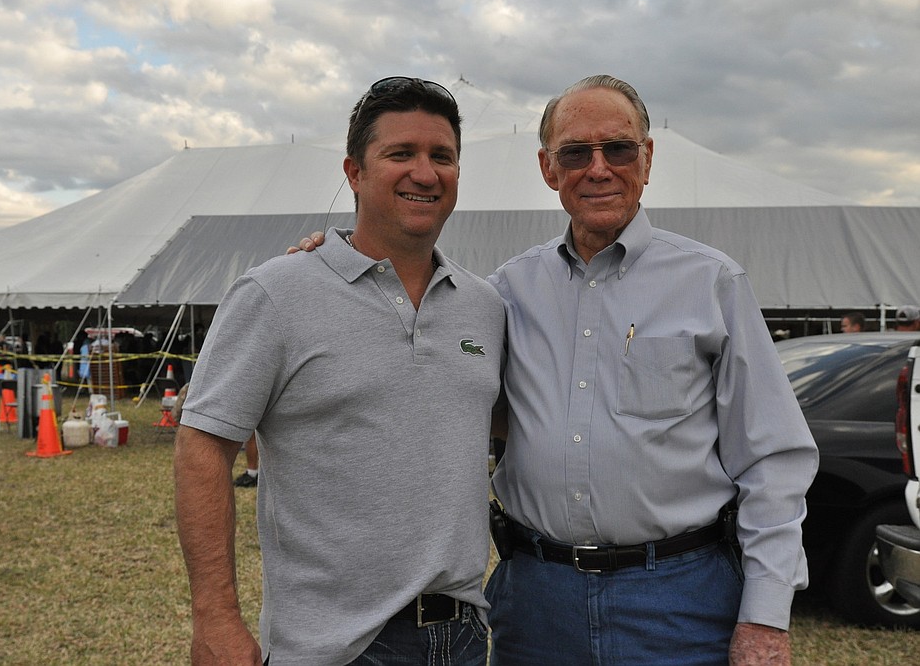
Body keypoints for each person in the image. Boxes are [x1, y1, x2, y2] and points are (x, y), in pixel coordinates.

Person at [483, 75, 819, 665]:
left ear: (647, 157)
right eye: (575, 153)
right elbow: (410, 330)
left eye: (618, 148)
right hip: (537, 604)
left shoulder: (711, 283)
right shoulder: (507, 292)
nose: (598, 168)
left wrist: (766, 618)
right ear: (546, 167)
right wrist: (332, 258)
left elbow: (773, 457)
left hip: (680, 602)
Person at [174, 77, 504, 665]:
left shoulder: (485, 307)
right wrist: (215, 618)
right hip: (333, 648)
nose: (425, 173)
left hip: (460, 637)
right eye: (400, 154)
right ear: (354, 172)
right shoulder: (276, 294)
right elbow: (202, 446)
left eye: (442, 157)